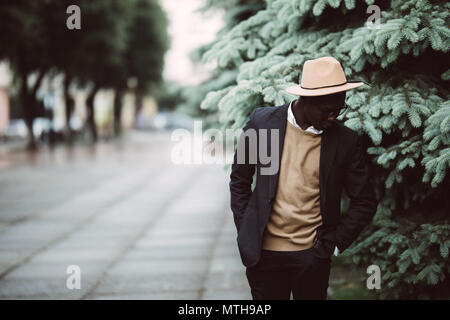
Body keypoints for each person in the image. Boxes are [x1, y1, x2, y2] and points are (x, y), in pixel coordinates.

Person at [229, 56, 378, 300]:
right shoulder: (261, 124)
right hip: (264, 256)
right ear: (306, 100)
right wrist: (246, 227)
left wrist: (335, 243)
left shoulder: (345, 140)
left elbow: (365, 200)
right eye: (328, 111)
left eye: (339, 111)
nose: (334, 117)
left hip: (312, 257)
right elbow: (240, 180)